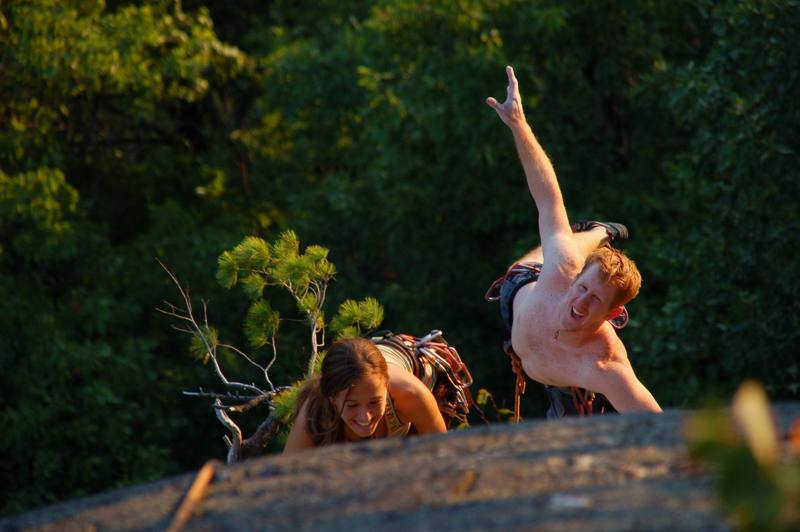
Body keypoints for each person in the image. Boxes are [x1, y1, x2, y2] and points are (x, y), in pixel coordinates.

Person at [484, 66, 662, 416]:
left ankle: (596, 235)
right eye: (582, 288)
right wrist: (519, 125)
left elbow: (658, 425)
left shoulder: (605, 367)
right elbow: (548, 198)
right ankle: (599, 233)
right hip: (524, 287)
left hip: (559, 377)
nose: (580, 301)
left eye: (595, 300)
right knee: (562, 245)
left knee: (573, 423)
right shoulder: (563, 272)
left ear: (614, 315)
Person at [283, 337, 447, 453]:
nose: (365, 416)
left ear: (386, 389)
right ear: (332, 399)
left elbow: (443, 454)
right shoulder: (314, 413)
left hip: (398, 362)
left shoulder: (411, 395)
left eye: (374, 402)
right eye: (352, 405)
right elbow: (287, 482)